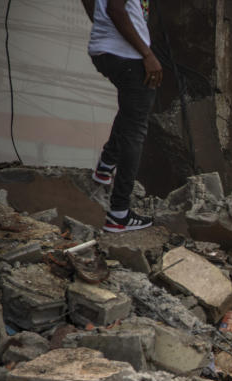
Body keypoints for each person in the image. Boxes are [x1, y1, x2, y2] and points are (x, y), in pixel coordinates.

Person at [84, 0, 161, 233]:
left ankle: (106, 165)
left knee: (131, 112)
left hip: (107, 51)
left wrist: (103, 31)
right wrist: (147, 54)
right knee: (136, 130)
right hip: (127, 54)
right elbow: (116, 8)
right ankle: (119, 214)